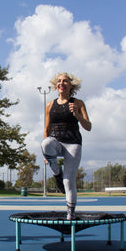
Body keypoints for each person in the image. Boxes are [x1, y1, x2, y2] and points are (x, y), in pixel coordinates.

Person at [41, 73, 91, 219]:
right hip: (56, 143)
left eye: (65, 81)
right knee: (45, 142)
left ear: (71, 85)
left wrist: (77, 114)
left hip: (73, 144)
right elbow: (47, 129)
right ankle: (56, 172)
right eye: (59, 81)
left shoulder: (78, 103)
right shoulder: (50, 105)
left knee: (68, 182)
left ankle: (70, 215)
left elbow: (88, 127)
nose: (61, 83)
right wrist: (46, 154)